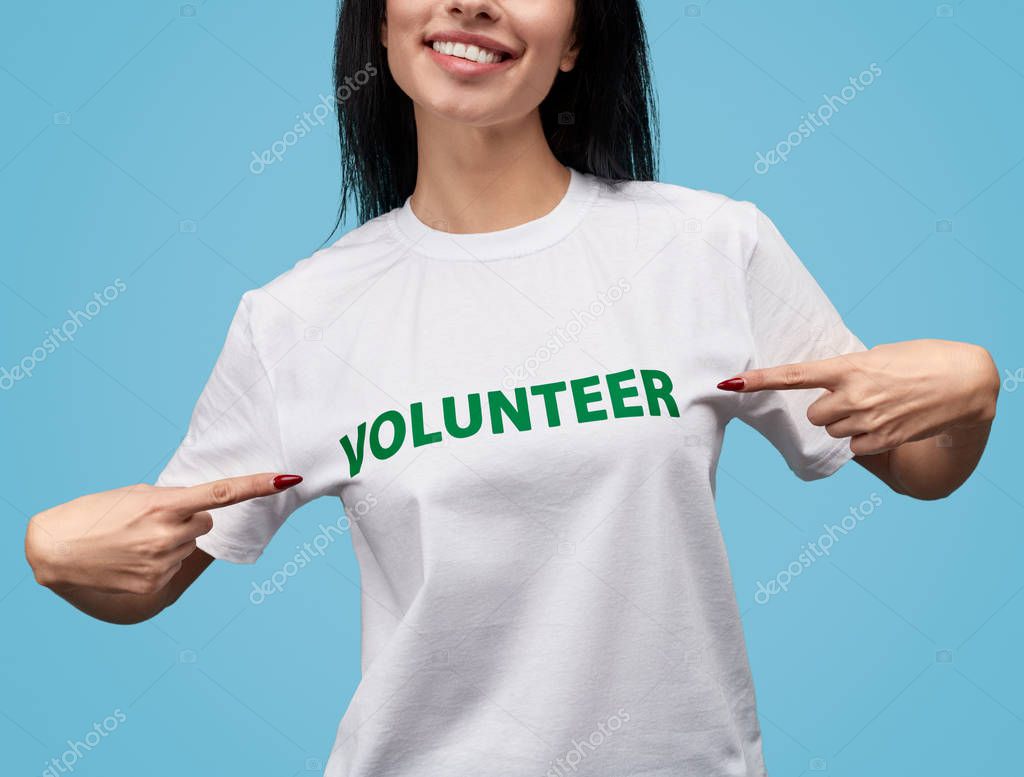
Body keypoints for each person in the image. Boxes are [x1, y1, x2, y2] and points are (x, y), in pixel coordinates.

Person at [24, 1, 999, 775]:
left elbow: (916, 468)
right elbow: (158, 568)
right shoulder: (296, 318)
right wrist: (58, 559)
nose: (472, 2)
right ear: (379, 20)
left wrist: (971, 397)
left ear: (578, 35)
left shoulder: (707, 246)